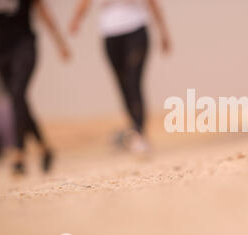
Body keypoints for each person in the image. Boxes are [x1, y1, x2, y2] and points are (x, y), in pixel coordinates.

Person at [69, 0, 172, 153]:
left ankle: (139, 132)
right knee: (122, 84)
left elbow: (152, 3)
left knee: (133, 81)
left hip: (136, 29)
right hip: (110, 35)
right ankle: (134, 127)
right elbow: (85, 3)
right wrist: (76, 20)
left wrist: (163, 32)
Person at [0, 0, 70, 174]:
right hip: (1, 49)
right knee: (17, 99)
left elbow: (43, 12)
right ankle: (45, 148)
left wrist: (60, 43)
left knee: (18, 94)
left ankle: (19, 152)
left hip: (25, 45)